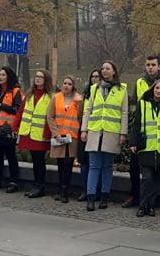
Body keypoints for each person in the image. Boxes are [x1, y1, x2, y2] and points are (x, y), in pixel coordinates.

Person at [124, 55, 160, 208]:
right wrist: (133, 138)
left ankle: (149, 203)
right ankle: (135, 196)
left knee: (153, 176)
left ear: (159, 66)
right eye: (148, 65)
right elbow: (134, 105)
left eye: (153, 65)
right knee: (136, 169)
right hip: (143, 137)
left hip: (159, 142)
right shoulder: (139, 82)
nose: (150, 67)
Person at [81, 60, 129, 211]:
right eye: (102, 68)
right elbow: (87, 111)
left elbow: (124, 112)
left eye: (107, 68)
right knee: (94, 166)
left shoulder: (122, 90)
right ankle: (90, 197)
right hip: (95, 131)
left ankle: (104, 197)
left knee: (107, 166)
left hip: (111, 132)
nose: (104, 71)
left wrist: (123, 133)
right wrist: (84, 129)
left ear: (114, 71)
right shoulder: (95, 88)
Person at [131, 78, 160, 217]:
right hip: (146, 147)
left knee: (157, 179)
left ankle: (151, 205)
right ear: (153, 88)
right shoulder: (143, 103)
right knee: (147, 178)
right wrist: (133, 142)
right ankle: (142, 205)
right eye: (157, 88)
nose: (159, 91)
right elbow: (136, 124)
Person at [18, 69, 53, 199]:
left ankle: (40, 186)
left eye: (41, 77)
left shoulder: (50, 97)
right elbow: (21, 112)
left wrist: (48, 134)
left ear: (46, 80)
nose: (37, 79)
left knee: (39, 161)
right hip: (29, 132)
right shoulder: (29, 94)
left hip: (41, 135)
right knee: (35, 160)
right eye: (36, 76)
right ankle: (37, 185)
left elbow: (50, 117)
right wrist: (15, 127)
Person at [0, 66, 23, 192]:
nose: (0, 77)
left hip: (8, 128)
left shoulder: (15, 91)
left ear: (9, 77)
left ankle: (14, 182)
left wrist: (0, 106)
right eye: (0, 75)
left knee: (11, 155)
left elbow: (18, 110)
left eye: (3, 75)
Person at [48, 76, 83, 203]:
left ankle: (65, 190)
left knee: (68, 163)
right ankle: (61, 189)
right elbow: (50, 116)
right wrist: (55, 132)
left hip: (72, 136)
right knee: (60, 163)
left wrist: (79, 103)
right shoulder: (56, 97)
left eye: (69, 84)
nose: (66, 86)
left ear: (73, 86)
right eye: (64, 83)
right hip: (59, 135)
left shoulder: (78, 98)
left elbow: (80, 116)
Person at [76, 69, 102, 202]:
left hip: (97, 131)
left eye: (97, 76)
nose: (94, 79)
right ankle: (85, 189)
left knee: (96, 163)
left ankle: (96, 190)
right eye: (92, 76)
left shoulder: (102, 93)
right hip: (84, 130)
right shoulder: (86, 95)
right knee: (84, 161)